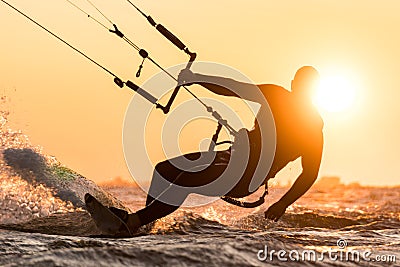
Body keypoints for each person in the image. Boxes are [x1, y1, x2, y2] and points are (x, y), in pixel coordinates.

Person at [105, 66, 324, 234]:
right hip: (229, 157)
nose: (300, 89)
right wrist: (198, 79)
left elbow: (310, 173)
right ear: (293, 83)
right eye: (299, 84)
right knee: (163, 170)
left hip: (246, 177)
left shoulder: (313, 127)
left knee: (184, 180)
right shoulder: (277, 96)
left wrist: (283, 203)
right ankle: (145, 227)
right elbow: (233, 87)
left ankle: (133, 222)